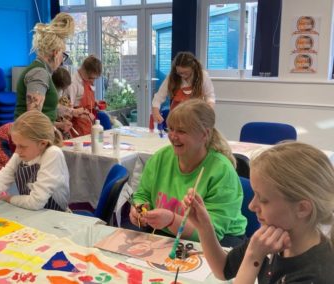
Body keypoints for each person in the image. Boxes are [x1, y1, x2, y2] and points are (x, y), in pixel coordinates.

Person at [183, 141, 334, 283]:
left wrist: (254, 257)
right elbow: (223, 269)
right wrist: (204, 226)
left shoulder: (316, 275)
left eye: (263, 199)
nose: (251, 206)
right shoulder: (271, 236)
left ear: (302, 208)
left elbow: (247, 263)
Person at [129, 99, 246, 247]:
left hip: (219, 241)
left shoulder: (221, 171)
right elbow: (143, 194)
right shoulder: (161, 158)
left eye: (181, 131)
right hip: (168, 232)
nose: (173, 136)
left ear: (204, 134)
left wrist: (172, 220)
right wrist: (139, 209)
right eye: (170, 129)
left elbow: (212, 232)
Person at [14, 12, 74, 123]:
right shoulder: (39, 73)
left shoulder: (42, 71)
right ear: (56, 53)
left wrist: (71, 113)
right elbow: (34, 119)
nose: (62, 60)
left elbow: (46, 110)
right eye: (63, 55)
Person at [151, 51, 215, 124]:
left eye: (186, 72)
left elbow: (210, 96)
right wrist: (155, 112)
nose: (183, 75)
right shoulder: (172, 76)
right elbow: (159, 97)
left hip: (197, 116)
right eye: (180, 73)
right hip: (176, 115)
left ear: (193, 68)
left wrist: (209, 112)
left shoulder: (203, 76)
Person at [64, 55, 103, 137]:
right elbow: (67, 109)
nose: (92, 81)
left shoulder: (86, 79)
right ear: (83, 69)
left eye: (94, 79)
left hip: (89, 124)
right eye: (90, 78)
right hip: (77, 127)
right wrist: (82, 113)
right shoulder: (73, 83)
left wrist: (94, 103)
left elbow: (87, 99)